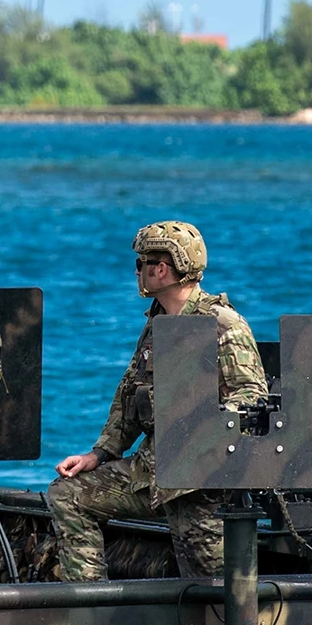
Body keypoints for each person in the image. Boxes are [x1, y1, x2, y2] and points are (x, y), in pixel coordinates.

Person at [47, 221, 268, 581]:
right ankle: (90, 608)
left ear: (161, 269)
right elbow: (129, 398)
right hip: (152, 470)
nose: (138, 273)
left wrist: (199, 427)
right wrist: (99, 453)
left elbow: (251, 396)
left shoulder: (223, 323)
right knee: (67, 494)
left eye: (141, 264)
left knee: (211, 587)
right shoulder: (158, 323)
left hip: (201, 482)